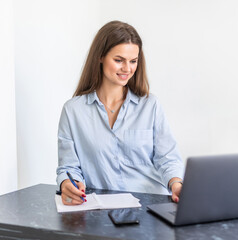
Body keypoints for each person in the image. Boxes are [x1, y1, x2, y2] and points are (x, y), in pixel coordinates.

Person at [56, 20, 184, 205]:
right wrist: (69, 184)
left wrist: (176, 184)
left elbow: (168, 159)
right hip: (101, 209)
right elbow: (68, 167)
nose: (127, 68)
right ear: (100, 57)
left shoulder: (150, 105)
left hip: (149, 206)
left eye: (133, 61)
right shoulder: (73, 111)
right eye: (119, 60)